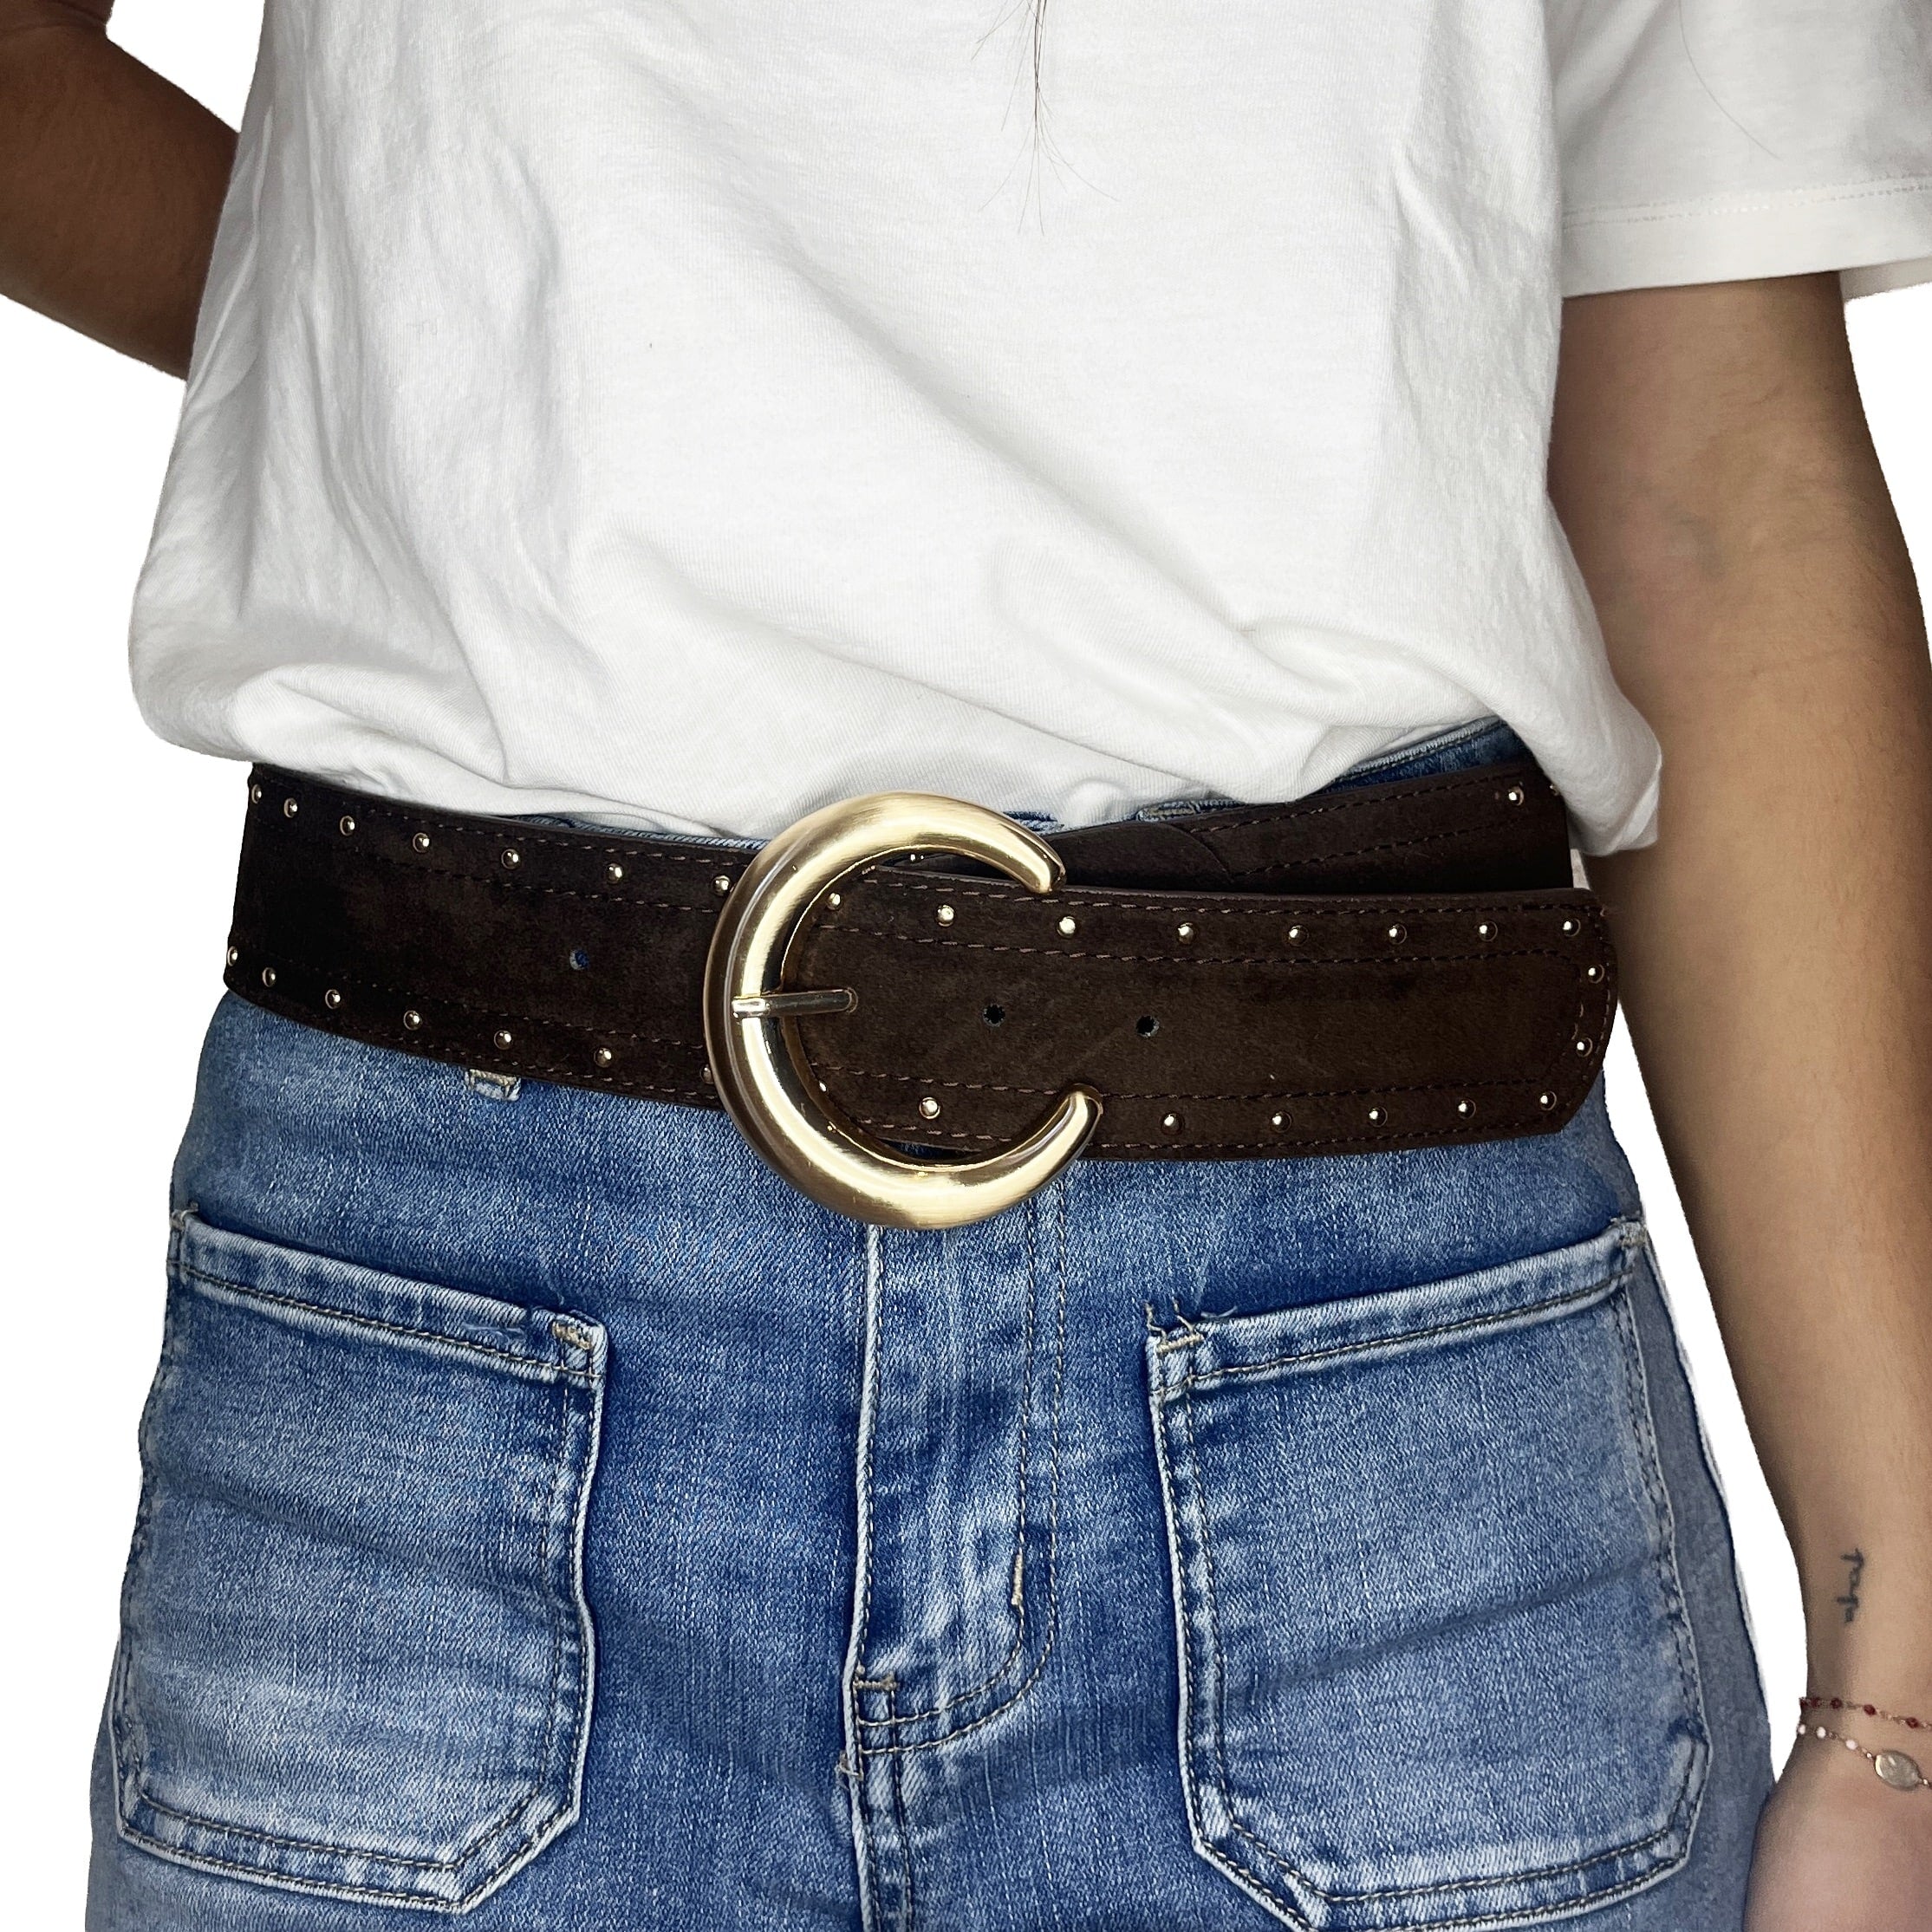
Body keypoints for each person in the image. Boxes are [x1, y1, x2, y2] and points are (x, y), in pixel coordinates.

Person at [5, 2, 1931, 1927]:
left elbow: (1711, 491)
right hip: (457, 1363)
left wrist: (1900, 1704)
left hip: (1366, 1401)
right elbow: (1706, 503)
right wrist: (417, 332)